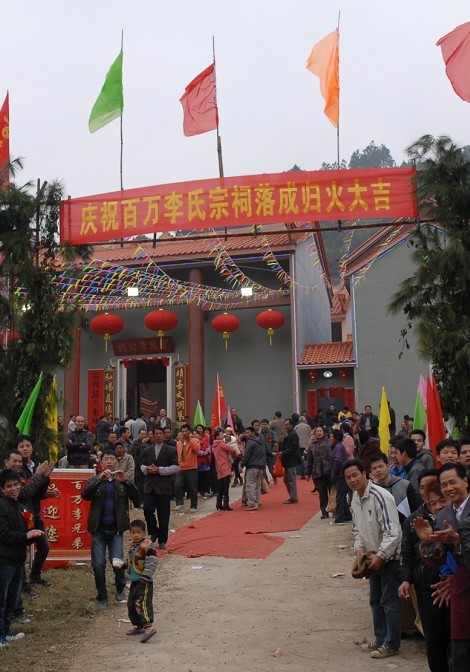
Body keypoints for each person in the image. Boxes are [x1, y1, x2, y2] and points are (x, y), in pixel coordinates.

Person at [343, 459, 402, 660]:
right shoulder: (354, 499)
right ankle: (380, 639)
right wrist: (359, 550)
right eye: (348, 477)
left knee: (389, 601)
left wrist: (382, 555)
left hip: (390, 557)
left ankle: (391, 643)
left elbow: (393, 531)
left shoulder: (380, 496)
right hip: (371, 557)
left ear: (364, 474)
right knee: (375, 600)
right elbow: (356, 529)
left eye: (355, 475)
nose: (352, 480)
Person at [398, 480, 451, 672]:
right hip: (427, 586)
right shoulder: (415, 520)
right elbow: (407, 553)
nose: (438, 506)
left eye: (442, 501)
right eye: (433, 502)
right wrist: (406, 579)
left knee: (455, 639)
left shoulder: (455, 520)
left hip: (454, 586)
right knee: (433, 638)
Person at [82, 449, 140, 607]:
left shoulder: (121, 481)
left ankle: (120, 588)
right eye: (106, 459)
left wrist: (125, 482)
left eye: (112, 459)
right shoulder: (94, 480)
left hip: (116, 530)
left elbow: (137, 498)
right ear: (101, 462)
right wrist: (98, 480)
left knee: (117, 563)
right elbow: (85, 495)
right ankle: (102, 597)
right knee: (98, 565)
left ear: (117, 462)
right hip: (98, 530)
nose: (109, 461)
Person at [0, 469, 44, 646]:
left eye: (16, 485)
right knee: (1, 600)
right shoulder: (2, 506)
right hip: (4, 561)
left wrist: (32, 535)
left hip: (18, 561)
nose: (13, 489)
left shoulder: (20, 507)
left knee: (12, 599)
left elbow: (24, 533)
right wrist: (25, 536)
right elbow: (3, 534)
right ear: (2, 489)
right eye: (9, 486)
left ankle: (7, 631)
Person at [141, 427, 179, 549]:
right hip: (150, 485)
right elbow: (141, 465)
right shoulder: (147, 450)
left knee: (163, 515)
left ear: (164, 435)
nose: (158, 436)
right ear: (152, 435)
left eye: (160, 434)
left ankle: (162, 540)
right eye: (156, 434)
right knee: (147, 509)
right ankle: (154, 531)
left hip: (164, 486)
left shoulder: (171, 450)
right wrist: (147, 469)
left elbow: (176, 467)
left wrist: (160, 470)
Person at [126, 519, 157, 643]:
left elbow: (152, 562)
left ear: (144, 533)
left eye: (139, 532)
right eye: (133, 532)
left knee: (142, 603)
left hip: (144, 580)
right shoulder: (132, 547)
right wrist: (122, 565)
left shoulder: (148, 546)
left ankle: (149, 627)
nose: (136, 535)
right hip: (134, 580)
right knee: (131, 604)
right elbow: (132, 562)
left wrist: (146, 575)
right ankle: (139, 626)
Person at [370, 452, 421, 526]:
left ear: (388, 466)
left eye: (381, 466)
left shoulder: (405, 485)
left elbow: (416, 510)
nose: (378, 470)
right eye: (374, 468)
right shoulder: (372, 491)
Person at [305, 425, 331, 519]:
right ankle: (324, 512)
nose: (319, 433)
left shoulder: (329, 442)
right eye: (317, 431)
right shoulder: (312, 445)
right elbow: (309, 459)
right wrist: (308, 472)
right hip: (317, 472)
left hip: (329, 470)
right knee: (322, 493)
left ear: (324, 432)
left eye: (320, 431)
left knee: (332, 492)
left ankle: (334, 510)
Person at [240, 426, 266, 511]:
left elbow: (247, 455)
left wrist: (242, 465)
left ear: (252, 433)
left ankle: (253, 503)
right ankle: (256, 502)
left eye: (248, 432)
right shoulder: (261, 441)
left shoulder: (250, 442)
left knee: (250, 485)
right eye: (246, 432)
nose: (246, 434)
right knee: (257, 486)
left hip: (252, 466)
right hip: (261, 466)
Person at [174, 424, 200, 510]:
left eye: (186, 431)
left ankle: (193, 505)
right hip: (181, 467)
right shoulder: (179, 442)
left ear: (189, 431)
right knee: (177, 484)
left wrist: (190, 440)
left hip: (191, 467)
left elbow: (197, 449)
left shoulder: (194, 440)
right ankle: (179, 503)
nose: (184, 433)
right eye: (183, 431)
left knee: (193, 487)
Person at [211, 428, 237, 511]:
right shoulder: (221, 444)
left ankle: (219, 504)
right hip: (225, 466)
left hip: (219, 466)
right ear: (217, 436)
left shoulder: (214, 445)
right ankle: (226, 504)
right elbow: (232, 449)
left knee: (221, 487)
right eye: (221, 435)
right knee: (226, 487)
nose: (223, 436)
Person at [329, 429, 350, 525]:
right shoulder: (338, 446)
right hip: (341, 474)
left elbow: (338, 461)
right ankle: (347, 515)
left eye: (331, 436)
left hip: (340, 475)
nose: (330, 438)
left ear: (336, 437)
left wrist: (333, 473)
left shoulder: (338, 447)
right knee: (342, 496)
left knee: (340, 497)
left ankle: (339, 518)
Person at [280, 418, 301, 504]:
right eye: (285, 425)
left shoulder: (293, 434)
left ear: (291, 425)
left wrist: (283, 452)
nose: (286, 426)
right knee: (286, 480)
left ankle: (293, 497)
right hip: (287, 460)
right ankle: (292, 496)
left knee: (291, 479)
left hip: (291, 460)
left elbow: (293, 447)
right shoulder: (288, 433)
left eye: (287, 425)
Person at [259, 419, 279, 484]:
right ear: (261, 425)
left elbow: (275, 442)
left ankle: (274, 477)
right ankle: (266, 481)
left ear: (268, 425)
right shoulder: (259, 434)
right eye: (263, 424)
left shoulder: (272, 433)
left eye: (265, 424)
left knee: (271, 468)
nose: (264, 426)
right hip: (262, 453)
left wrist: (274, 451)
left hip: (270, 453)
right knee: (263, 468)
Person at [195, 424, 211, 497]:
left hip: (205, 459)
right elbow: (194, 449)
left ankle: (206, 491)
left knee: (206, 476)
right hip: (197, 460)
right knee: (198, 477)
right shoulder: (194, 438)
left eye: (200, 428)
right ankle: (199, 491)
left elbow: (209, 445)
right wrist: (201, 453)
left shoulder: (206, 437)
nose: (199, 429)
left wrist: (207, 452)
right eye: (198, 428)